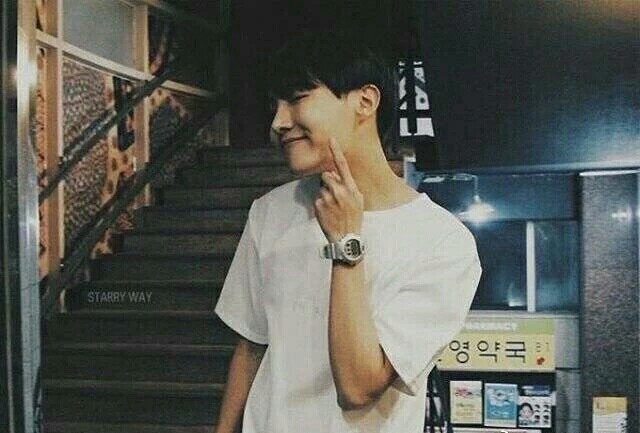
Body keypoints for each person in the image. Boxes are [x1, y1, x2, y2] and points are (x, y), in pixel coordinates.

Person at [213, 30, 482, 433]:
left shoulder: (443, 243)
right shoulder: (270, 212)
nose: (278, 123)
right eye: (274, 105)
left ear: (365, 101)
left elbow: (359, 387)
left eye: (297, 99)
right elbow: (250, 347)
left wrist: (346, 243)